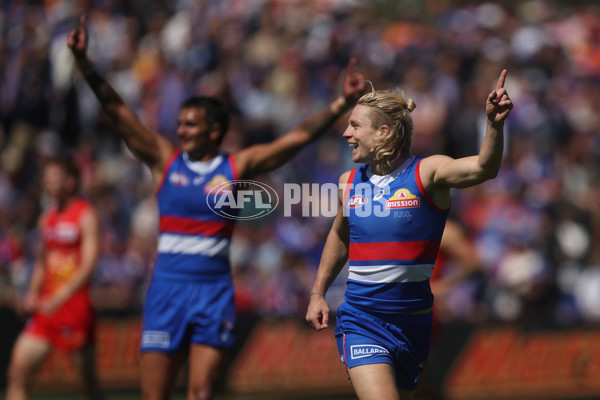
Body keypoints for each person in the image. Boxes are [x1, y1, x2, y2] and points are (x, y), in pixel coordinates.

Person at [67, 14, 366, 400]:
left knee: (202, 392)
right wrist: (84, 64)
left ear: (214, 130)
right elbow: (118, 111)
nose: (181, 131)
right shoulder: (164, 161)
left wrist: (341, 102)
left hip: (213, 292)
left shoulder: (234, 167)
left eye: (191, 124)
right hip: (166, 291)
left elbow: (294, 140)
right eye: (180, 124)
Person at [306, 70, 512, 400]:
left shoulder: (426, 172)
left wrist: (494, 125)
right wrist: (318, 292)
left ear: (383, 132)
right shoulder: (348, 181)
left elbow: (483, 168)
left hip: (414, 325)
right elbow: (340, 236)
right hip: (362, 320)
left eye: (355, 126)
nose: (345, 133)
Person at [6, 157, 103, 400]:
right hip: (46, 308)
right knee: (17, 373)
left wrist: (61, 296)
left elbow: (89, 264)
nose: (48, 182)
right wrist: (31, 293)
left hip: (75, 306)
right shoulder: (46, 218)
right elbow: (42, 262)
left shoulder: (85, 214)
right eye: (46, 178)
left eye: (54, 177)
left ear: (71, 181)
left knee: (87, 385)